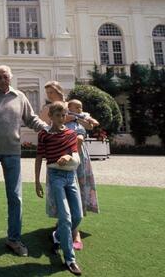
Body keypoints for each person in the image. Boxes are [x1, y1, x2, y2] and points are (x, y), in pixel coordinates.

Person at [0, 65, 47, 257]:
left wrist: (47, 128)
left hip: (13, 152)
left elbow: (31, 119)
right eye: (0, 77)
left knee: (15, 197)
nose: (4, 79)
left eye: (6, 76)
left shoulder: (20, 97)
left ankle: (13, 239)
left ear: (10, 78)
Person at [35, 102, 84, 276]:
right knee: (65, 216)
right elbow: (39, 157)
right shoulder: (44, 134)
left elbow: (73, 153)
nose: (62, 119)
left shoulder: (71, 134)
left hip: (70, 177)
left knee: (77, 215)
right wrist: (37, 181)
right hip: (55, 176)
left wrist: (67, 156)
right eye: (58, 115)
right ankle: (70, 259)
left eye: (64, 115)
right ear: (51, 116)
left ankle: (57, 236)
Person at [65, 99, 100, 250]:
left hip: (80, 153)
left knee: (81, 184)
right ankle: (66, 223)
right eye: (77, 106)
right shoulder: (65, 114)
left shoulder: (82, 115)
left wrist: (81, 117)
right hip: (66, 151)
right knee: (68, 187)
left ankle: (75, 226)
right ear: (69, 106)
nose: (80, 108)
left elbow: (93, 124)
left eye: (81, 106)